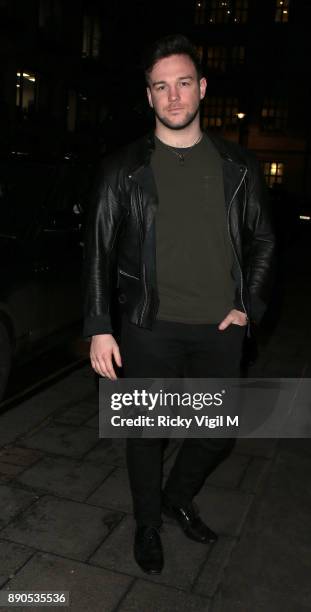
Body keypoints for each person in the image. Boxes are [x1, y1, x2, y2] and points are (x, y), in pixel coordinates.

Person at [83, 34, 275, 575]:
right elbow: (96, 250)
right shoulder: (121, 169)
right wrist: (100, 325)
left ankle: (175, 495)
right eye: (161, 86)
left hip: (220, 329)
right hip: (149, 327)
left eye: (183, 83)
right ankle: (147, 522)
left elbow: (263, 241)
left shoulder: (238, 165)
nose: (173, 97)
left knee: (217, 433)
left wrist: (249, 306)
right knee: (147, 433)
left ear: (202, 89)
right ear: (149, 96)